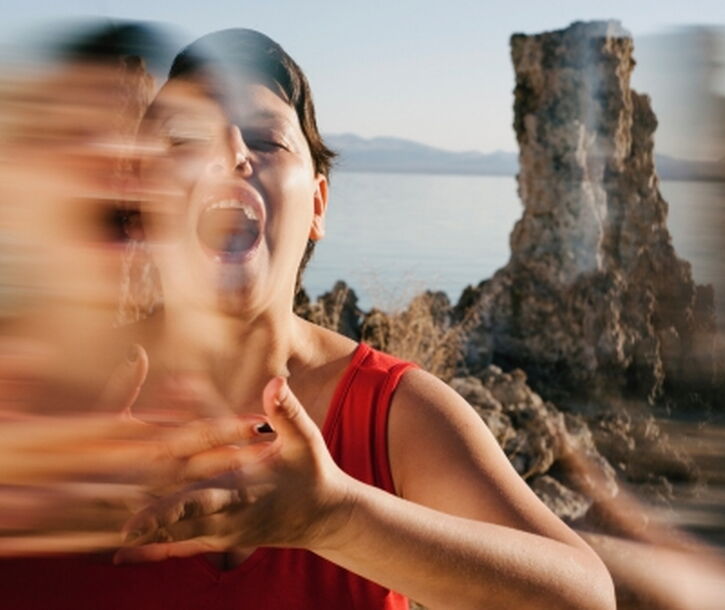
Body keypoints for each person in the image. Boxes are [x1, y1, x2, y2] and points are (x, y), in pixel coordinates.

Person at [0, 28, 617, 610]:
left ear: (318, 205)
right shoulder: (40, 397)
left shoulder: (394, 414)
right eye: (186, 141)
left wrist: (337, 517)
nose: (232, 152)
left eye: (265, 139)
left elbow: (586, 596)